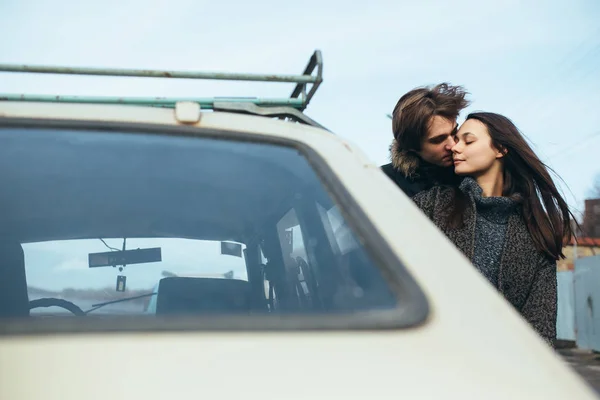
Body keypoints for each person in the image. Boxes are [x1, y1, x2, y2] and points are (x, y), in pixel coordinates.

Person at [413, 112, 576, 347]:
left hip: (502, 373)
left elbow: (541, 328)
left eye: (467, 141)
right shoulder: (435, 204)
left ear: (500, 149)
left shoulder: (536, 232)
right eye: (456, 140)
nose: (455, 148)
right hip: (434, 361)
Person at [381, 83, 470, 197]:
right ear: (412, 146)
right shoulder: (384, 182)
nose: (453, 145)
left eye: (454, 132)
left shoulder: (473, 173)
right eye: (438, 140)